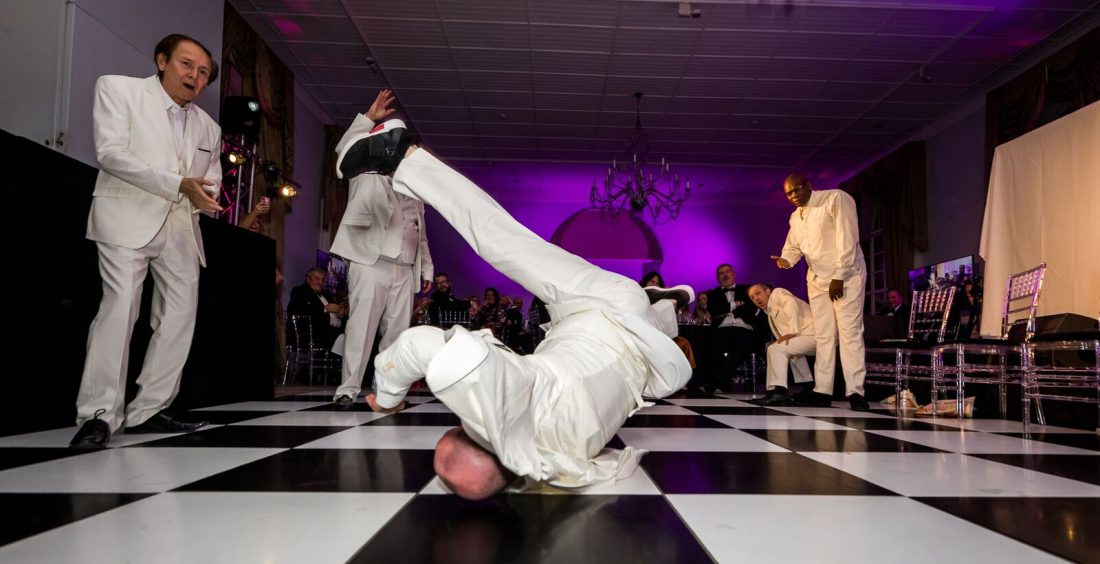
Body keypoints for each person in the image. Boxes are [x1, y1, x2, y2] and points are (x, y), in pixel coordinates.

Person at [342, 118, 693, 499]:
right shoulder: (505, 393)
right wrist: (388, 397)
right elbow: (417, 346)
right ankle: (401, 155)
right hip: (602, 302)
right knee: (502, 242)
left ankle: (667, 300)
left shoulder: (566, 461)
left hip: (640, 348)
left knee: (638, 320)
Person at [69, 34, 222, 449]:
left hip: (181, 226)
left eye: (204, 72)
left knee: (179, 317)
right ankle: (99, 415)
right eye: (187, 64)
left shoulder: (210, 126)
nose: (195, 76)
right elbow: (111, 153)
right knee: (119, 309)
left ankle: (150, 410)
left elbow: (212, 177)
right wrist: (177, 183)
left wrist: (208, 198)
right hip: (127, 215)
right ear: (161, 60)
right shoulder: (118, 89)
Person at [329, 89, 434, 406]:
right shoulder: (364, 173)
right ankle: (347, 389)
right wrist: (368, 119)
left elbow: (421, 233)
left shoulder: (415, 190)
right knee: (361, 329)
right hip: (370, 261)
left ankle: (385, 391)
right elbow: (343, 151)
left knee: (396, 333)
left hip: (403, 268)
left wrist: (426, 267)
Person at [770, 173, 870, 411]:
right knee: (824, 334)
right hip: (816, 279)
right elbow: (793, 247)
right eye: (788, 193)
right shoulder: (796, 217)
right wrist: (786, 260)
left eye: (796, 190)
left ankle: (856, 391)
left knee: (850, 332)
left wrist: (840, 275)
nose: (793, 196)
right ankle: (822, 390)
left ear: (808, 186)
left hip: (846, 276)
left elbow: (848, 237)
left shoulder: (835, 198)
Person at [697, 264, 765, 394]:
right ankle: (721, 382)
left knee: (740, 347)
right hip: (722, 328)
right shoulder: (713, 293)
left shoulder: (747, 290)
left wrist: (726, 307)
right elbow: (714, 309)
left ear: (734, 274)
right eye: (721, 273)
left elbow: (750, 308)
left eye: (728, 271)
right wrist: (735, 304)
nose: (725, 274)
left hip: (744, 327)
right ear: (718, 278)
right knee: (713, 345)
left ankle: (715, 382)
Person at [747, 284, 816, 406]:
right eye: (752, 297)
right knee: (783, 349)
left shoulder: (778, 293)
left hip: (815, 334)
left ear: (768, 291)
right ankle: (808, 388)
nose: (755, 298)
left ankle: (779, 392)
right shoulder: (769, 311)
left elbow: (790, 303)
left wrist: (791, 331)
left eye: (758, 293)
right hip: (806, 337)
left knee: (775, 349)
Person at [287, 268, 346, 351]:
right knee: (346, 343)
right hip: (314, 335)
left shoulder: (327, 294)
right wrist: (324, 308)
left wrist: (339, 315)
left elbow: (335, 311)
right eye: (317, 279)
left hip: (334, 333)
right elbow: (301, 311)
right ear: (308, 279)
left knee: (350, 339)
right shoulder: (299, 291)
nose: (320, 282)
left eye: (322, 280)